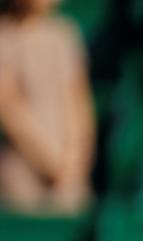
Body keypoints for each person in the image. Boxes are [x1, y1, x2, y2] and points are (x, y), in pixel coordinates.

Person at [0, 0, 94, 213]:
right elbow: (9, 108)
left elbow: (77, 99)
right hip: (22, 168)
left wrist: (74, 158)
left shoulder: (64, 34)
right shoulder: (4, 37)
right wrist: (50, 159)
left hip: (69, 174)